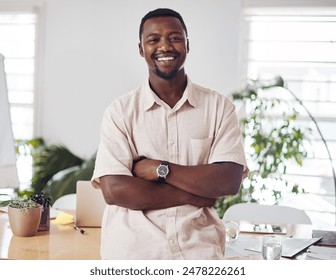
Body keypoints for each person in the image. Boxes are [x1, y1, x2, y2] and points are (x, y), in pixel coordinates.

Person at [91, 8, 248, 260]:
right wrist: (193, 193)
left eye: (174, 37)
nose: (165, 46)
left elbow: (229, 180)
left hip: (199, 250)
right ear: (141, 49)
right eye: (153, 39)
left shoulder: (219, 107)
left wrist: (160, 169)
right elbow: (114, 190)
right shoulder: (119, 112)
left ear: (187, 44)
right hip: (133, 251)